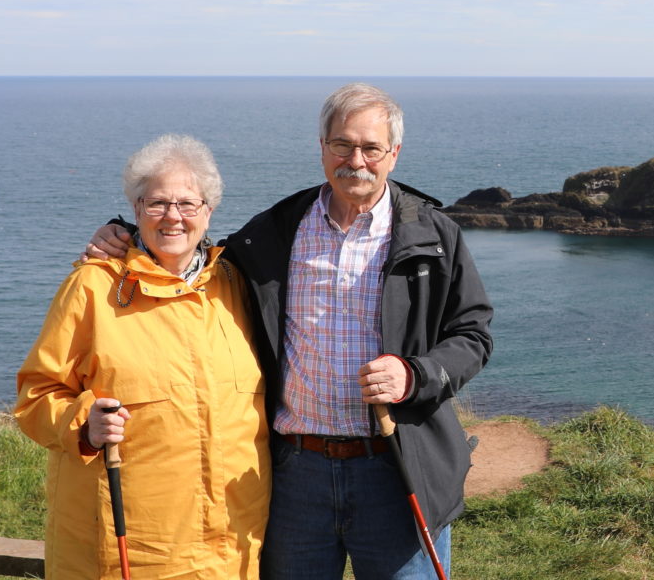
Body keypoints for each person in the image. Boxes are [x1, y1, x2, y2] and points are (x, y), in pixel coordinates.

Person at [86, 83, 494, 579]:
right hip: (294, 476)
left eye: (370, 148)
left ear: (395, 154)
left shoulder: (433, 234)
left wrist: (416, 375)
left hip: (397, 463)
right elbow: (194, 254)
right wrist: (127, 233)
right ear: (322, 147)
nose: (356, 160)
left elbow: (473, 334)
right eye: (342, 145)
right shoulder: (278, 228)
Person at [18, 134, 269, 579]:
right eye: (157, 203)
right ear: (135, 211)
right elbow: (36, 397)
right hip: (129, 554)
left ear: (209, 211)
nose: (173, 216)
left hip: (232, 550)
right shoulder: (93, 287)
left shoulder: (237, 284)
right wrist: (83, 424)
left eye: (188, 204)